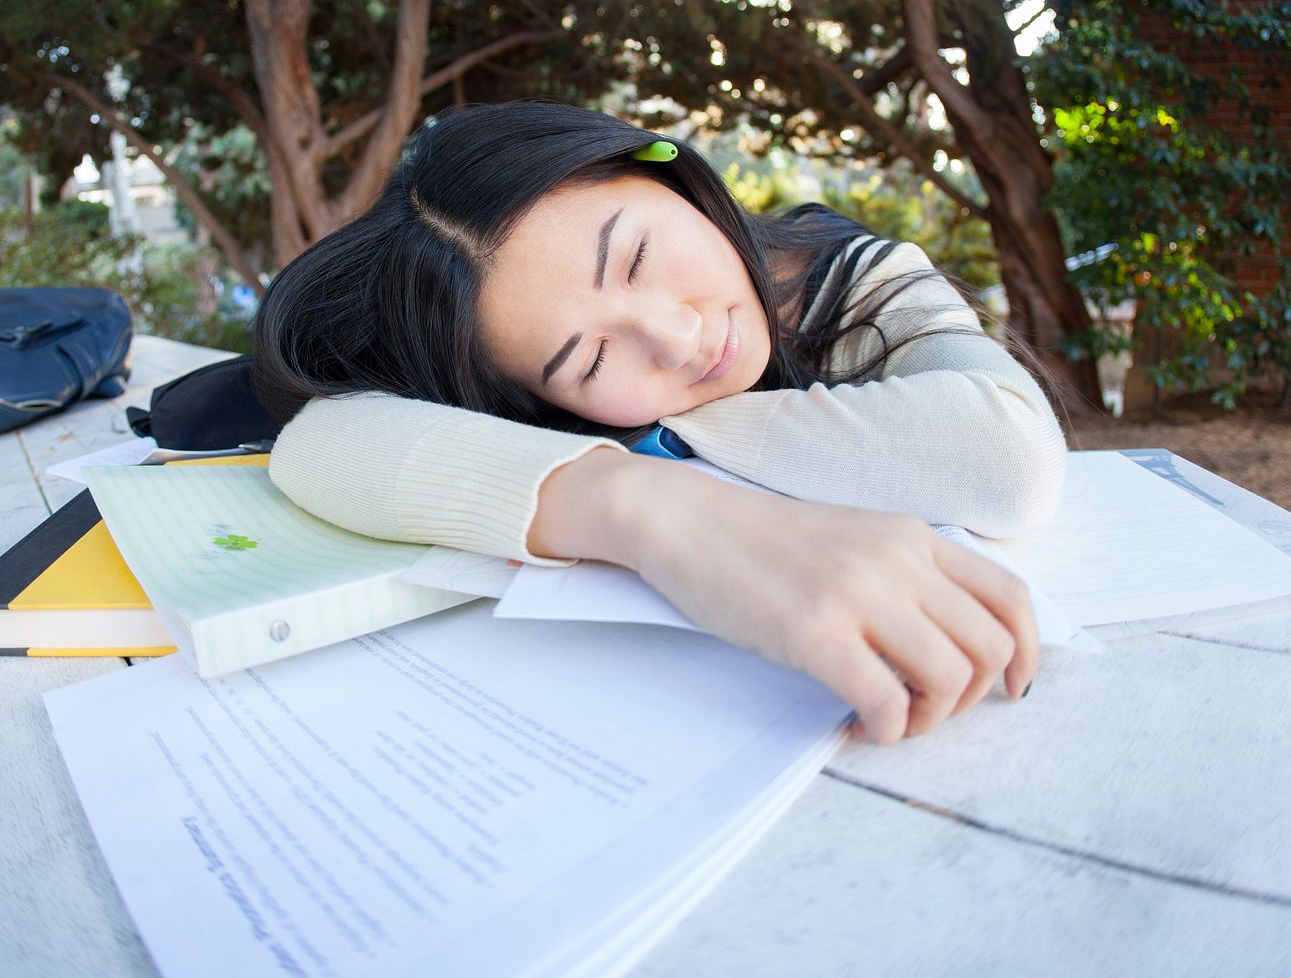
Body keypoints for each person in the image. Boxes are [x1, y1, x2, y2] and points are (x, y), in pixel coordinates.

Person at [255, 101, 1068, 745]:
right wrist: (653, 507)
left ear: (658, 171)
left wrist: (664, 436)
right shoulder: (575, 417)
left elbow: (1005, 456)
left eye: (636, 256)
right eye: (590, 362)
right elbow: (319, 443)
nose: (678, 339)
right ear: (546, 405)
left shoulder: (864, 280)